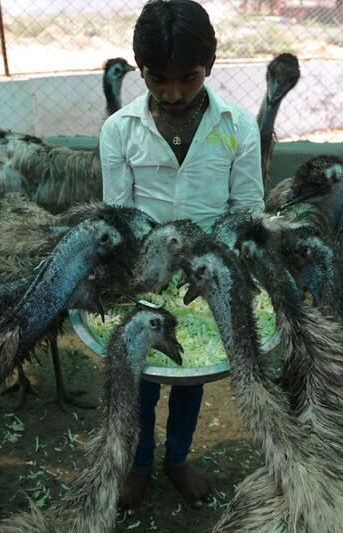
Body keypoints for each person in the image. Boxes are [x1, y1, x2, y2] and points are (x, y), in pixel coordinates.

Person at [99, 0, 264, 510]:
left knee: (192, 373)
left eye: (187, 79)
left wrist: (223, 267)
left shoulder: (237, 127)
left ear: (209, 67)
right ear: (139, 67)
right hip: (141, 277)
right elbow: (117, 216)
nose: (172, 93)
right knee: (143, 378)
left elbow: (246, 209)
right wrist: (133, 273)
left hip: (207, 276)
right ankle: (141, 462)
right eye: (157, 79)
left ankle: (176, 457)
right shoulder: (119, 131)